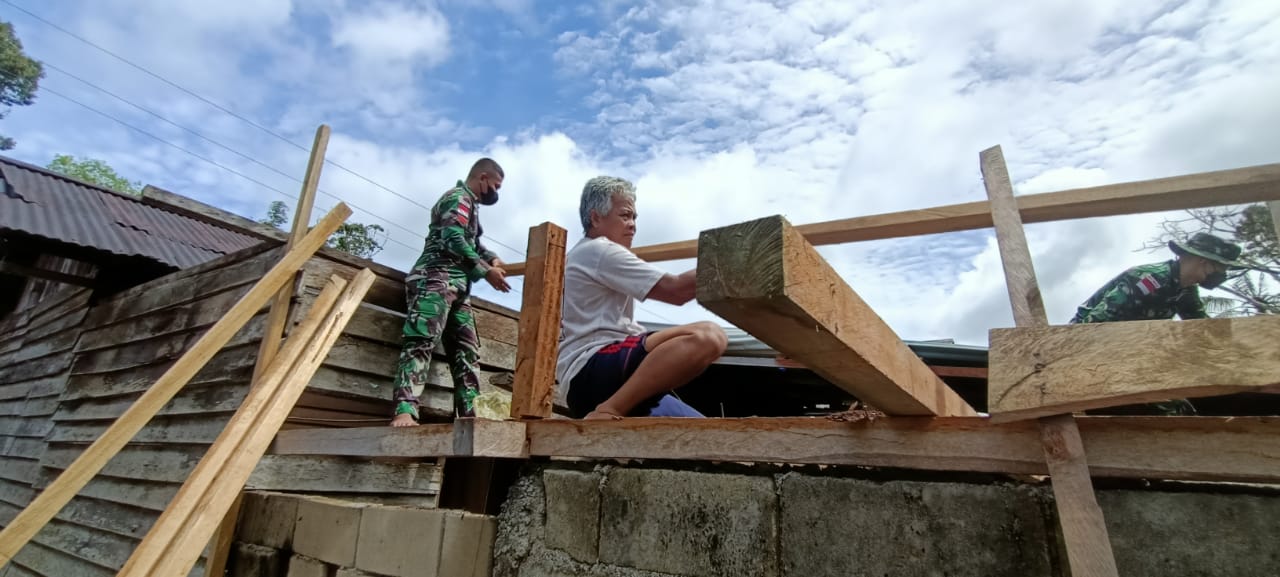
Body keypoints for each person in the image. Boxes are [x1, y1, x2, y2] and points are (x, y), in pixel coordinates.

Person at [556, 176, 728, 420]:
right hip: (593, 370)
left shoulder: (581, 255)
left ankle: (615, 406)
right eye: (625, 216)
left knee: (704, 429)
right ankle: (609, 410)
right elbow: (676, 290)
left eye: (634, 217)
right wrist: (732, 261)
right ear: (595, 218)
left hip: (588, 384)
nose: (633, 225)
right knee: (709, 336)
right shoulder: (599, 250)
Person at [390, 158, 511, 427]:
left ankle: (470, 415)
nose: (495, 193)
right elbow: (452, 238)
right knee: (422, 340)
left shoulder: (471, 207)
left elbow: (473, 244)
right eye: (495, 186)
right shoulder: (458, 198)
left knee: (467, 350)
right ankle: (404, 411)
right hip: (435, 279)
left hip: (458, 286)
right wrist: (485, 271)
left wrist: (491, 258)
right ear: (483, 177)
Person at [1069, 231, 1244, 415]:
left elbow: (1204, 329)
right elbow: (1092, 324)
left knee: (1184, 409)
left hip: (1128, 358)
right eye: (1221, 269)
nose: (1222, 275)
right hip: (1091, 354)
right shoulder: (1149, 280)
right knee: (1173, 410)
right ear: (1204, 262)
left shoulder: (1186, 291)